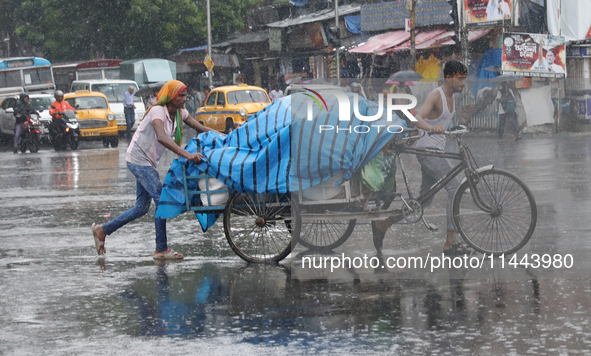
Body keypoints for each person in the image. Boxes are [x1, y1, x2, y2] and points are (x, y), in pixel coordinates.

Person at [91, 80, 217, 260]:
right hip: (138, 159)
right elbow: (161, 137)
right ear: (171, 96)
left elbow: (201, 129)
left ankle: (102, 230)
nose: (184, 99)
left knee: (141, 208)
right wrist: (187, 155)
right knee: (161, 200)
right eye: (180, 95)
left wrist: (224, 136)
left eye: (185, 95)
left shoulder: (181, 112)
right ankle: (161, 249)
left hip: (148, 162)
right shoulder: (158, 111)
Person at [372, 61, 471, 256]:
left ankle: (383, 224)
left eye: (465, 79)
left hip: (436, 151)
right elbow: (418, 117)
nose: (464, 83)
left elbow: (443, 121)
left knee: (424, 201)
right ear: (449, 78)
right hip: (428, 151)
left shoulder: (453, 98)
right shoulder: (436, 95)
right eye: (460, 78)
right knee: (455, 188)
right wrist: (430, 128)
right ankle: (450, 242)